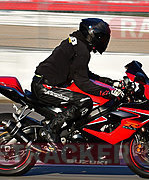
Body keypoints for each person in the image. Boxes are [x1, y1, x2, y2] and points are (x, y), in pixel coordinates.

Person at [31, 18, 124, 150]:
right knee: (84, 101)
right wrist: (107, 92)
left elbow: (84, 74)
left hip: (47, 83)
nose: (103, 41)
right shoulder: (81, 50)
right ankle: (50, 129)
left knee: (82, 100)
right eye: (101, 38)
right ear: (92, 34)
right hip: (45, 87)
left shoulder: (78, 45)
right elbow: (83, 82)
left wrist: (111, 83)